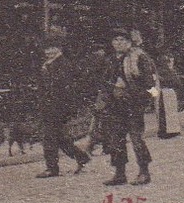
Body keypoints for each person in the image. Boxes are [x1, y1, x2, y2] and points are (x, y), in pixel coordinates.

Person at [99, 26, 155, 187]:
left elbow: (150, 84)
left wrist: (146, 101)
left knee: (136, 139)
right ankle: (119, 173)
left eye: (122, 40)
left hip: (133, 105)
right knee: (116, 139)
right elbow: (104, 80)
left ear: (129, 42)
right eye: (115, 40)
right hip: (115, 105)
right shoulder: (111, 60)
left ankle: (144, 172)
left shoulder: (139, 58)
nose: (118, 43)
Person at [35, 35, 91, 178]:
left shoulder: (62, 64)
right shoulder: (48, 64)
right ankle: (81, 156)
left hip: (56, 107)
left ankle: (52, 168)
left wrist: (60, 107)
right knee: (58, 137)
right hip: (49, 106)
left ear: (59, 49)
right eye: (46, 49)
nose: (48, 52)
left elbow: (64, 89)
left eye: (52, 48)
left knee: (49, 136)